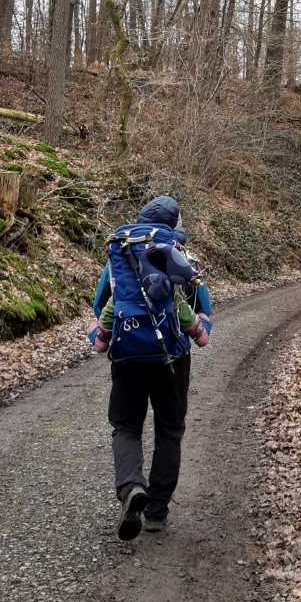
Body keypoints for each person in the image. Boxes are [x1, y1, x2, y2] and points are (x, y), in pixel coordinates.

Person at [90, 194, 212, 540]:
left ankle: (131, 488)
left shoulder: (121, 255)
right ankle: (157, 511)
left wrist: (102, 332)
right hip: (171, 357)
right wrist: (201, 328)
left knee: (126, 426)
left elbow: (100, 303)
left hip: (127, 353)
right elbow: (203, 306)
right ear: (175, 227)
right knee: (169, 431)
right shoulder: (183, 256)